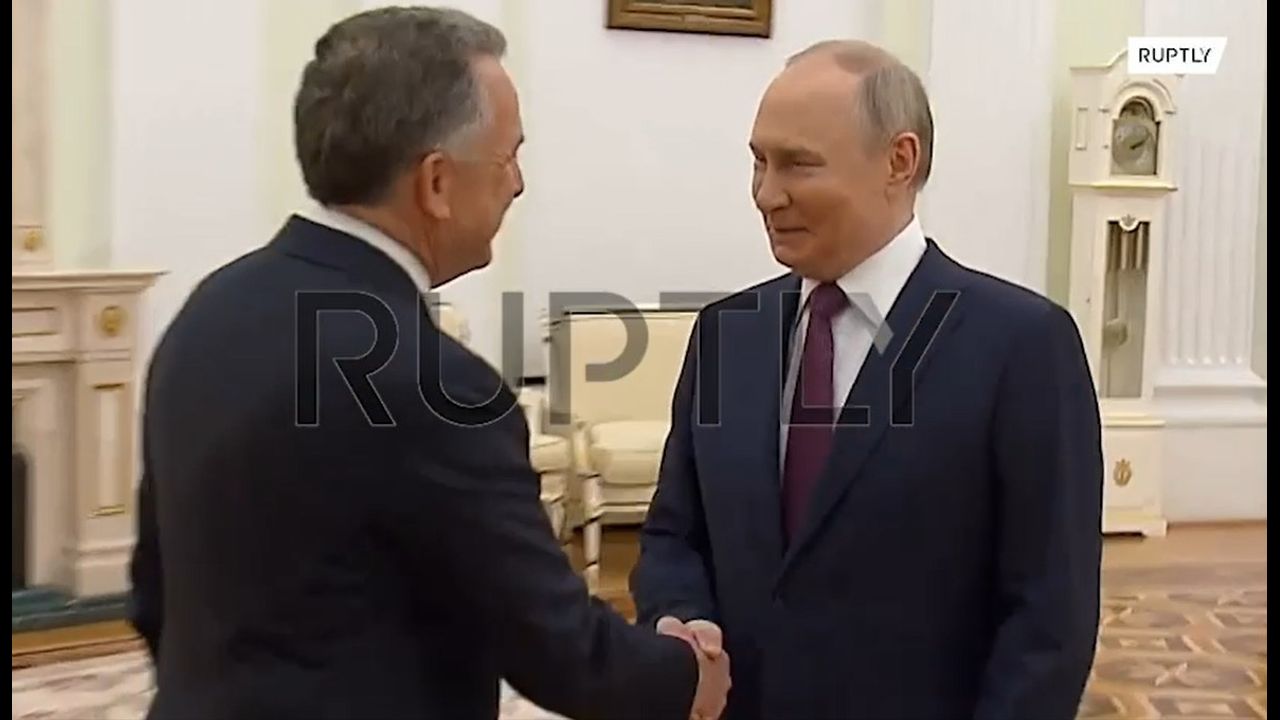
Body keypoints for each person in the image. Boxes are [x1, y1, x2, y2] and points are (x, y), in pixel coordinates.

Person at [127, 7, 729, 719]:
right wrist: (686, 677)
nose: (518, 184)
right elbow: (560, 650)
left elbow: (155, 591)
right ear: (436, 183)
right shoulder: (432, 382)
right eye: (509, 157)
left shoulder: (211, 309)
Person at [630, 39, 1102, 720]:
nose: (766, 194)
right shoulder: (726, 334)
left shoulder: (1021, 345)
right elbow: (674, 535)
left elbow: (1049, 615)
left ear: (899, 161)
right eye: (759, 162)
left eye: (798, 164)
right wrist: (682, 620)